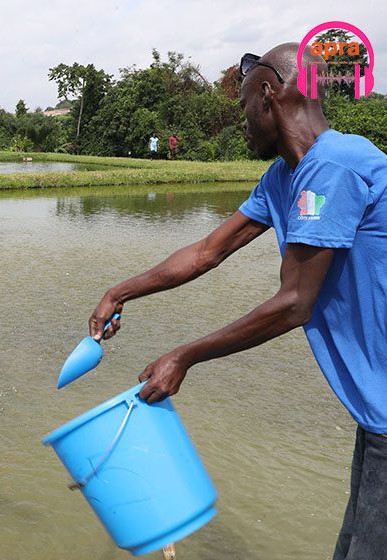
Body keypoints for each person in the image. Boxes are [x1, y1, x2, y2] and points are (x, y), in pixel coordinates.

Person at [88, 43, 387, 559]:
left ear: (268, 96)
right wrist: (120, 292)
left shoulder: (338, 166)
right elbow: (207, 251)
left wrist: (184, 356)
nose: (241, 123)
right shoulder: (285, 178)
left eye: (243, 108)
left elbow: (295, 302)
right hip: (376, 411)